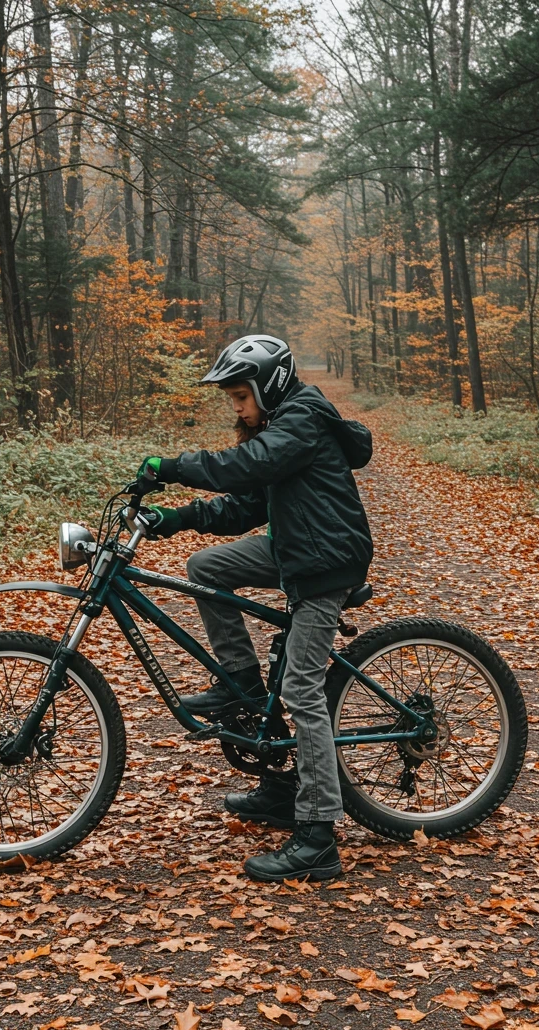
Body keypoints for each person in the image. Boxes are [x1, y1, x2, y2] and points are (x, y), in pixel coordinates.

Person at [135, 334, 373, 883]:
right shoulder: (279, 426)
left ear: (270, 385)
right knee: (206, 567)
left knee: (302, 689)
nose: (237, 408)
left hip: (324, 560)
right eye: (233, 399)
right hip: (293, 545)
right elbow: (246, 504)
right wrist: (177, 518)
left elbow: (249, 465)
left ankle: (317, 837)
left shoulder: (304, 415)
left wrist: (172, 465)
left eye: (241, 395)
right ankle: (245, 693)